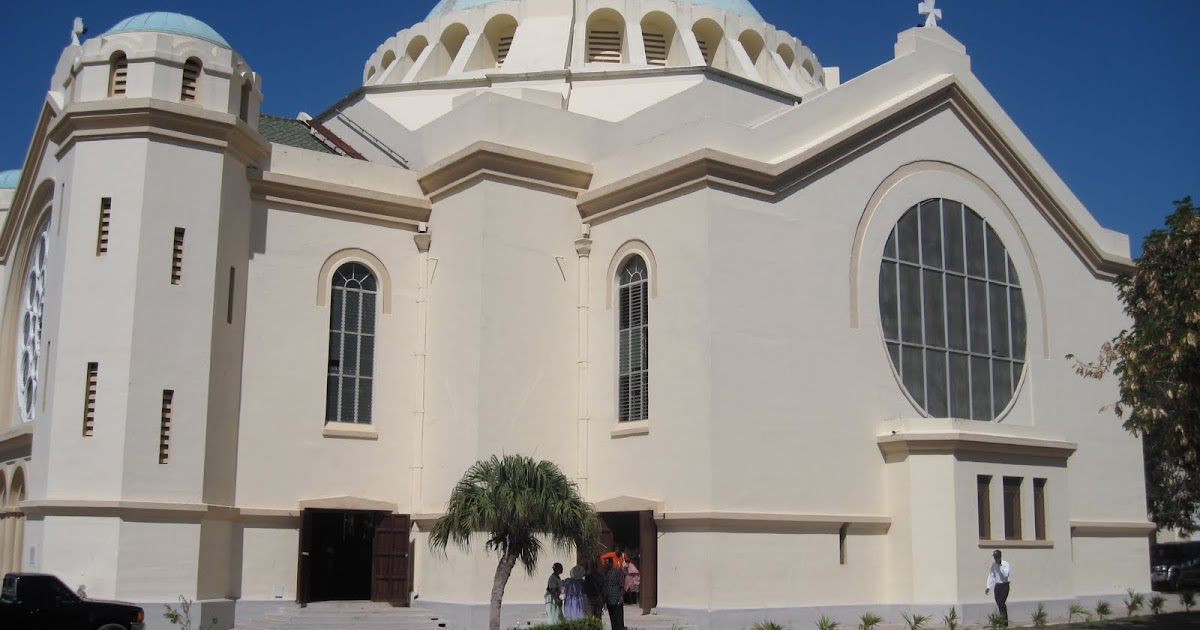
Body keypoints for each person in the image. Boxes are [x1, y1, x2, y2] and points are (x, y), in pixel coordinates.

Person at [984, 549, 1011, 625]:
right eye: (994, 557)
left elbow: (1006, 574)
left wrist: (1000, 566)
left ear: (1000, 557)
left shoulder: (1005, 564)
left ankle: (1004, 622)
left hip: (1005, 585)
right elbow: (991, 576)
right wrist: (988, 586)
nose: (995, 559)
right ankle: (1002, 619)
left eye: (997, 557)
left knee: (1001, 602)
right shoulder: (993, 565)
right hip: (998, 586)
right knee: (998, 602)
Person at [603, 557, 626, 630]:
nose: (606, 564)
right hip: (609, 600)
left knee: (618, 619)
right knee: (612, 619)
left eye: (607, 563)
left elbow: (621, 585)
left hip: (617, 599)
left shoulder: (617, 572)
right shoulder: (606, 573)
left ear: (611, 563)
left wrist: (621, 597)